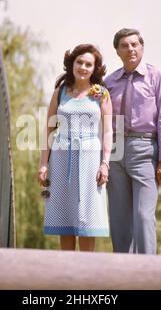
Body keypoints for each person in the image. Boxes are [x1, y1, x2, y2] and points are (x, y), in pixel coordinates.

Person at [105, 28, 161, 254]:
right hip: (115, 151)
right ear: (117, 51)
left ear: (142, 48)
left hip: (145, 149)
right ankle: (123, 276)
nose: (131, 49)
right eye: (125, 46)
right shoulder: (109, 82)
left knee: (143, 216)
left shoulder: (158, 77)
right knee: (118, 219)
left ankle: (149, 275)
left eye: (135, 44)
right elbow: (102, 121)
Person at [38, 44, 113, 251]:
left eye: (88, 64)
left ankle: (86, 273)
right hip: (61, 158)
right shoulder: (60, 92)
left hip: (90, 160)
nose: (83, 67)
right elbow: (49, 129)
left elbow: (108, 132)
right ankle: (67, 271)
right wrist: (43, 164)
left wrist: (105, 163)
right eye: (79, 62)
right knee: (65, 215)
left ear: (94, 68)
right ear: (72, 64)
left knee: (87, 218)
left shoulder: (102, 94)